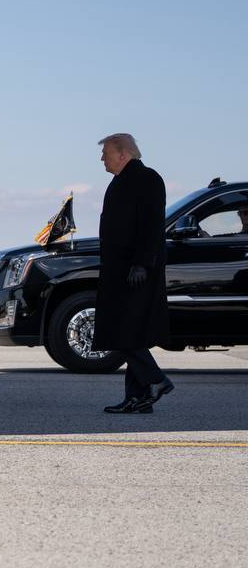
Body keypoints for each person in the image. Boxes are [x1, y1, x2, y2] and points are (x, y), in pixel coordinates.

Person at [94, 133, 174, 413]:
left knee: (123, 332)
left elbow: (152, 225)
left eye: (105, 152)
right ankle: (137, 398)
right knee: (131, 334)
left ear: (122, 153)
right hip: (119, 270)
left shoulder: (148, 179)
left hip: (135, 272)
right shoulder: (120, 181)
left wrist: (142, 263)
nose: (101, 158)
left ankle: (157, 380)